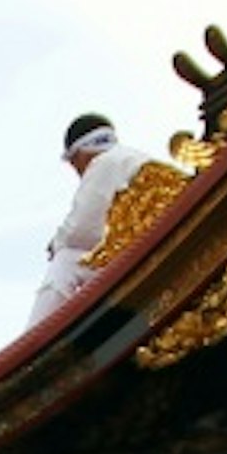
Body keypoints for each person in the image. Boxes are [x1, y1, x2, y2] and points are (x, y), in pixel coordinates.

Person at [33, 114, 147, 323]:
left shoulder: (103, 164)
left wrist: (56, 244)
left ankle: (32, 342)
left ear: (79, 155)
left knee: (66, 260)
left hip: (142, 261)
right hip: (162, 244)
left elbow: (81, 230)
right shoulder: (138, 158)